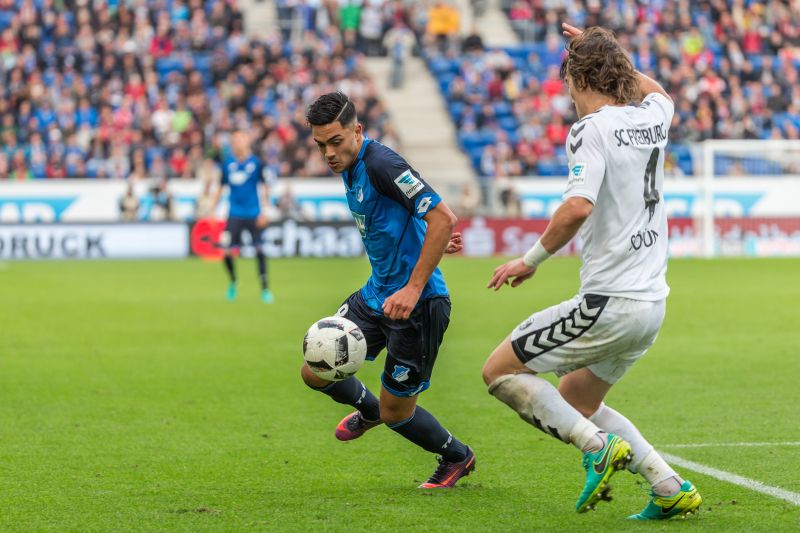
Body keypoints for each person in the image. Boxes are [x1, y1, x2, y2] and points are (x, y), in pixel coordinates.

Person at [481, 24, 702, 520]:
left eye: (569, 84)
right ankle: (668, 486)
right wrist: (616, 56)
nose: (569, 98)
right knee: (575, 397)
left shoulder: (590, 129)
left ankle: (595, 448)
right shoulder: (652, 117)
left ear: (580, 79)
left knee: (498, 371)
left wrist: (529, 260)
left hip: (610, 302)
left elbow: (576, 208)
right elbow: (660, 92)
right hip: (651, 306)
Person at [301, 91, 472, 488]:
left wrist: (413, 287)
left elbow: (443, 218)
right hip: (376, 295)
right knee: (315, 370)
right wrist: (425, 241)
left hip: (419, 304)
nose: (327, 152)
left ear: (357, 131)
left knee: (400, 413)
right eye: (320, 144)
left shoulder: (381, 164)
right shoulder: (348, 163)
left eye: (335, 142)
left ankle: (457, 456)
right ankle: (371, 410)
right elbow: (406, 220)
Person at [210, 130, 274, 303]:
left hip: (254, 214)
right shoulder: (227, 163)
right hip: (234, 214)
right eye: (234, 140)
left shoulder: (257, 163)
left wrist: (266, 211)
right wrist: (212, 209)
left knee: (260, 250)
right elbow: (221, 187)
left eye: (240, 139)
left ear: (247, 142)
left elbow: (265, 187)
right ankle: (233, 282)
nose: (237, 143)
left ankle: (265, 288)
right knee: (226, 251)